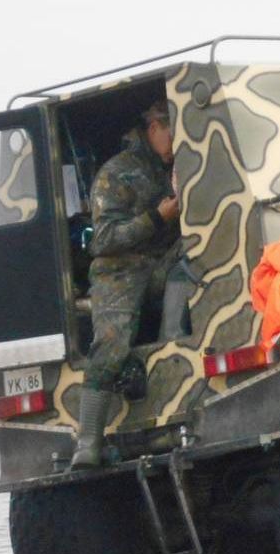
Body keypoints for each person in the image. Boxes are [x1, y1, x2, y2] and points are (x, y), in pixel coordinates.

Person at [71, 101, 183, 469]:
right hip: (120, 270)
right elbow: (102, 240)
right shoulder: (117, 173)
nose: (175, 137)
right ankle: (88, 443)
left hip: (163, 263)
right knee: (111, 344)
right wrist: (157, 217)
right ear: (153, 128)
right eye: (170, 128)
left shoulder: (177, 167)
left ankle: (175, 351)